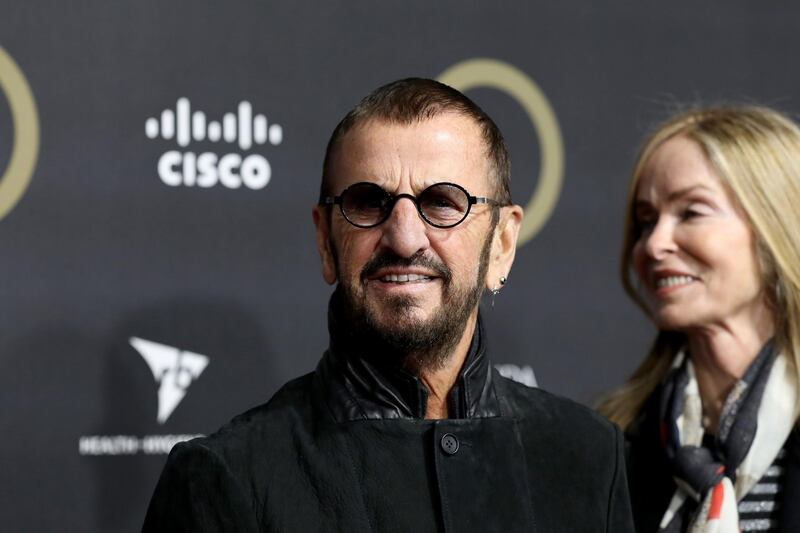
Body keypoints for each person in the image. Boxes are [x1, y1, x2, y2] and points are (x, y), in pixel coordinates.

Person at [142, 78, 634, 532]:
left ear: (502, 243)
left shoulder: (589, 456)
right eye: (368, 202)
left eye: (443, 201)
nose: (403, 238)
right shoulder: (225, 480)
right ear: (324, 240)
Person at [599, 105, 800, 533]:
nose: (654, 245)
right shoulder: (609, 445)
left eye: (690, 212)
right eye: (645, 221)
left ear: (774, 227)